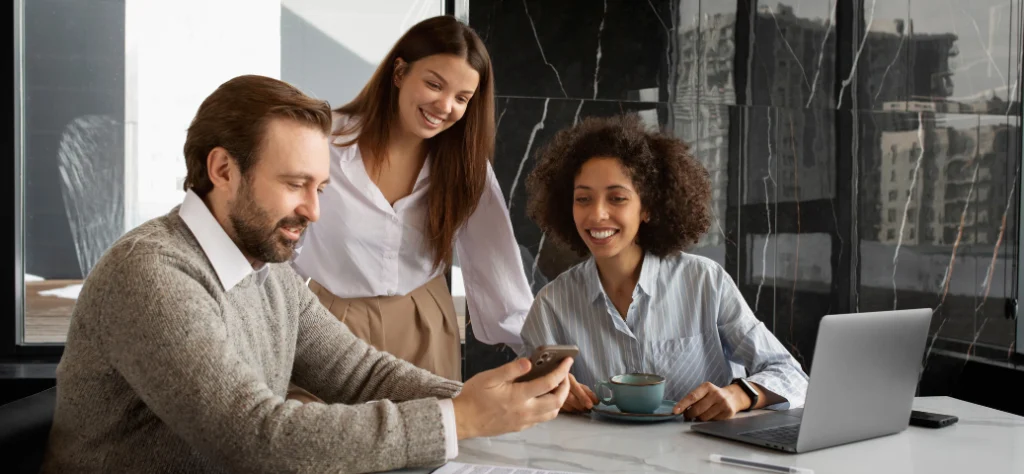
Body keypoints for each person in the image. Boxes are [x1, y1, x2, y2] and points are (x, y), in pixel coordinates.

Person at [39, 75, 572, 474]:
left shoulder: (265, 269)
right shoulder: (151, 273)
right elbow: (253, 437)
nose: (313, 211)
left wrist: (498, 398)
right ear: (223, 170)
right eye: (296, 184)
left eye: (320, 189)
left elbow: (361, 375)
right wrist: (458, 419)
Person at [521, 113, 808, 421]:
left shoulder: (704, 282)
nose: (597, 214)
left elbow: (790, 375)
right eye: (583, 199)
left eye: (617, 198)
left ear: (647, 207)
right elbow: (522, 397)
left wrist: (740, 395)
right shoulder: (552, 305)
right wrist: (548, 395)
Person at [291, 15, 531, 383]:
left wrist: (543, 360)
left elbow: (497, 267)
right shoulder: (323, 143)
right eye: (435, 84)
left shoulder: (466, 168)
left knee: (432, 438)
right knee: (335, 436)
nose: (445, 106)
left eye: (462, 98)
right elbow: (279, 248)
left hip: (427, 329)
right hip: (334, 328)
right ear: (400, 73)